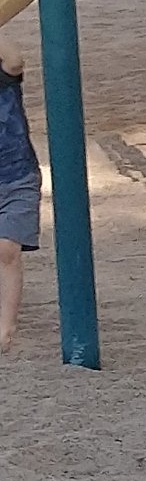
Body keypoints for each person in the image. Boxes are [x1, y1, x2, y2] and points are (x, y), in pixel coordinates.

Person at [0, 40, 41, 353]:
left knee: (7, 249)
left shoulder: (5, 78)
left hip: (17, 177)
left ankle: (6, 326)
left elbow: (14, 60)